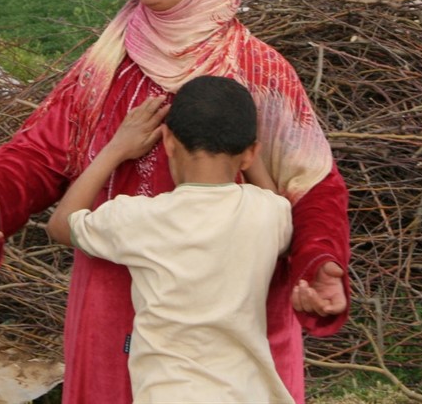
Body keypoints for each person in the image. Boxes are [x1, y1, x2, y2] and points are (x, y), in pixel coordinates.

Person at [0, 0, 350, 403]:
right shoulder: (107, 63)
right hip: (112, 304)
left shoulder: (260, 71)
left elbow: (313, 186)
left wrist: (320, 264)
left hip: (234, 321)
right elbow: (42, 149)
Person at [46, 75, 294, 403]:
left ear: (168, 143)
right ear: (249, 154)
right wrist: (249, 154)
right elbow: (275, 205)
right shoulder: (267, 213)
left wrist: (116, 148)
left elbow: (60, 225)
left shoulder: (141, 218)